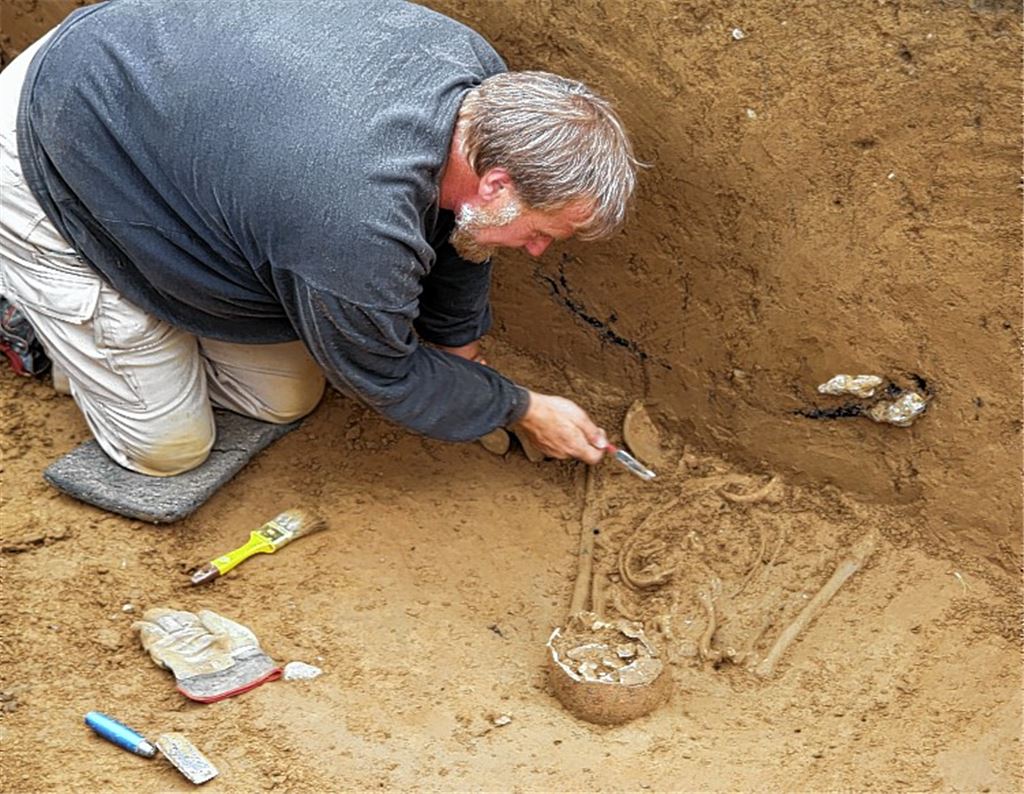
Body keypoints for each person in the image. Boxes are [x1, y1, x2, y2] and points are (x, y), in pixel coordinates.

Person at [0, 0, 638, 477]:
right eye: (541, 233)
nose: (536, 250)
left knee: (285, 398)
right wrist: (518, 408)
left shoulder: (480, 90)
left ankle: (144, 313)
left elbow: (467, 235)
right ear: (496, 184)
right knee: (169, 448)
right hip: (51, 140)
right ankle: (29, 319)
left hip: (163, 114)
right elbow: (381, 371)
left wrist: (461, 356)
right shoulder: (353, 223)